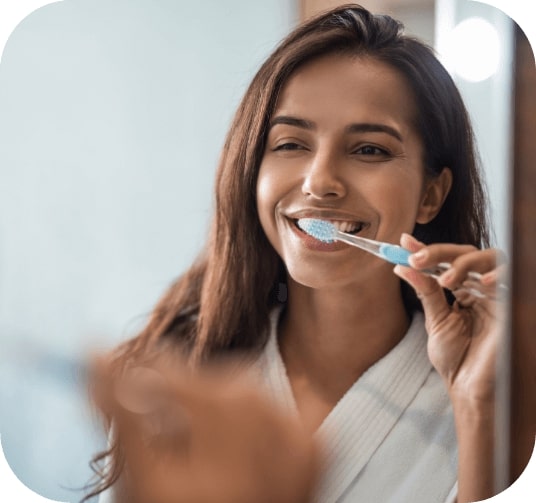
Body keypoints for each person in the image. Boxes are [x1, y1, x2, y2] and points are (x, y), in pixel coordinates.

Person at [85, 4, 508, 503]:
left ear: (431, 195)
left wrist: (482, 409)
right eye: (290, 144)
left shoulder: (491, 396)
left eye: (369, 149)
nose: (320, 182)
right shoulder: (175, 387)